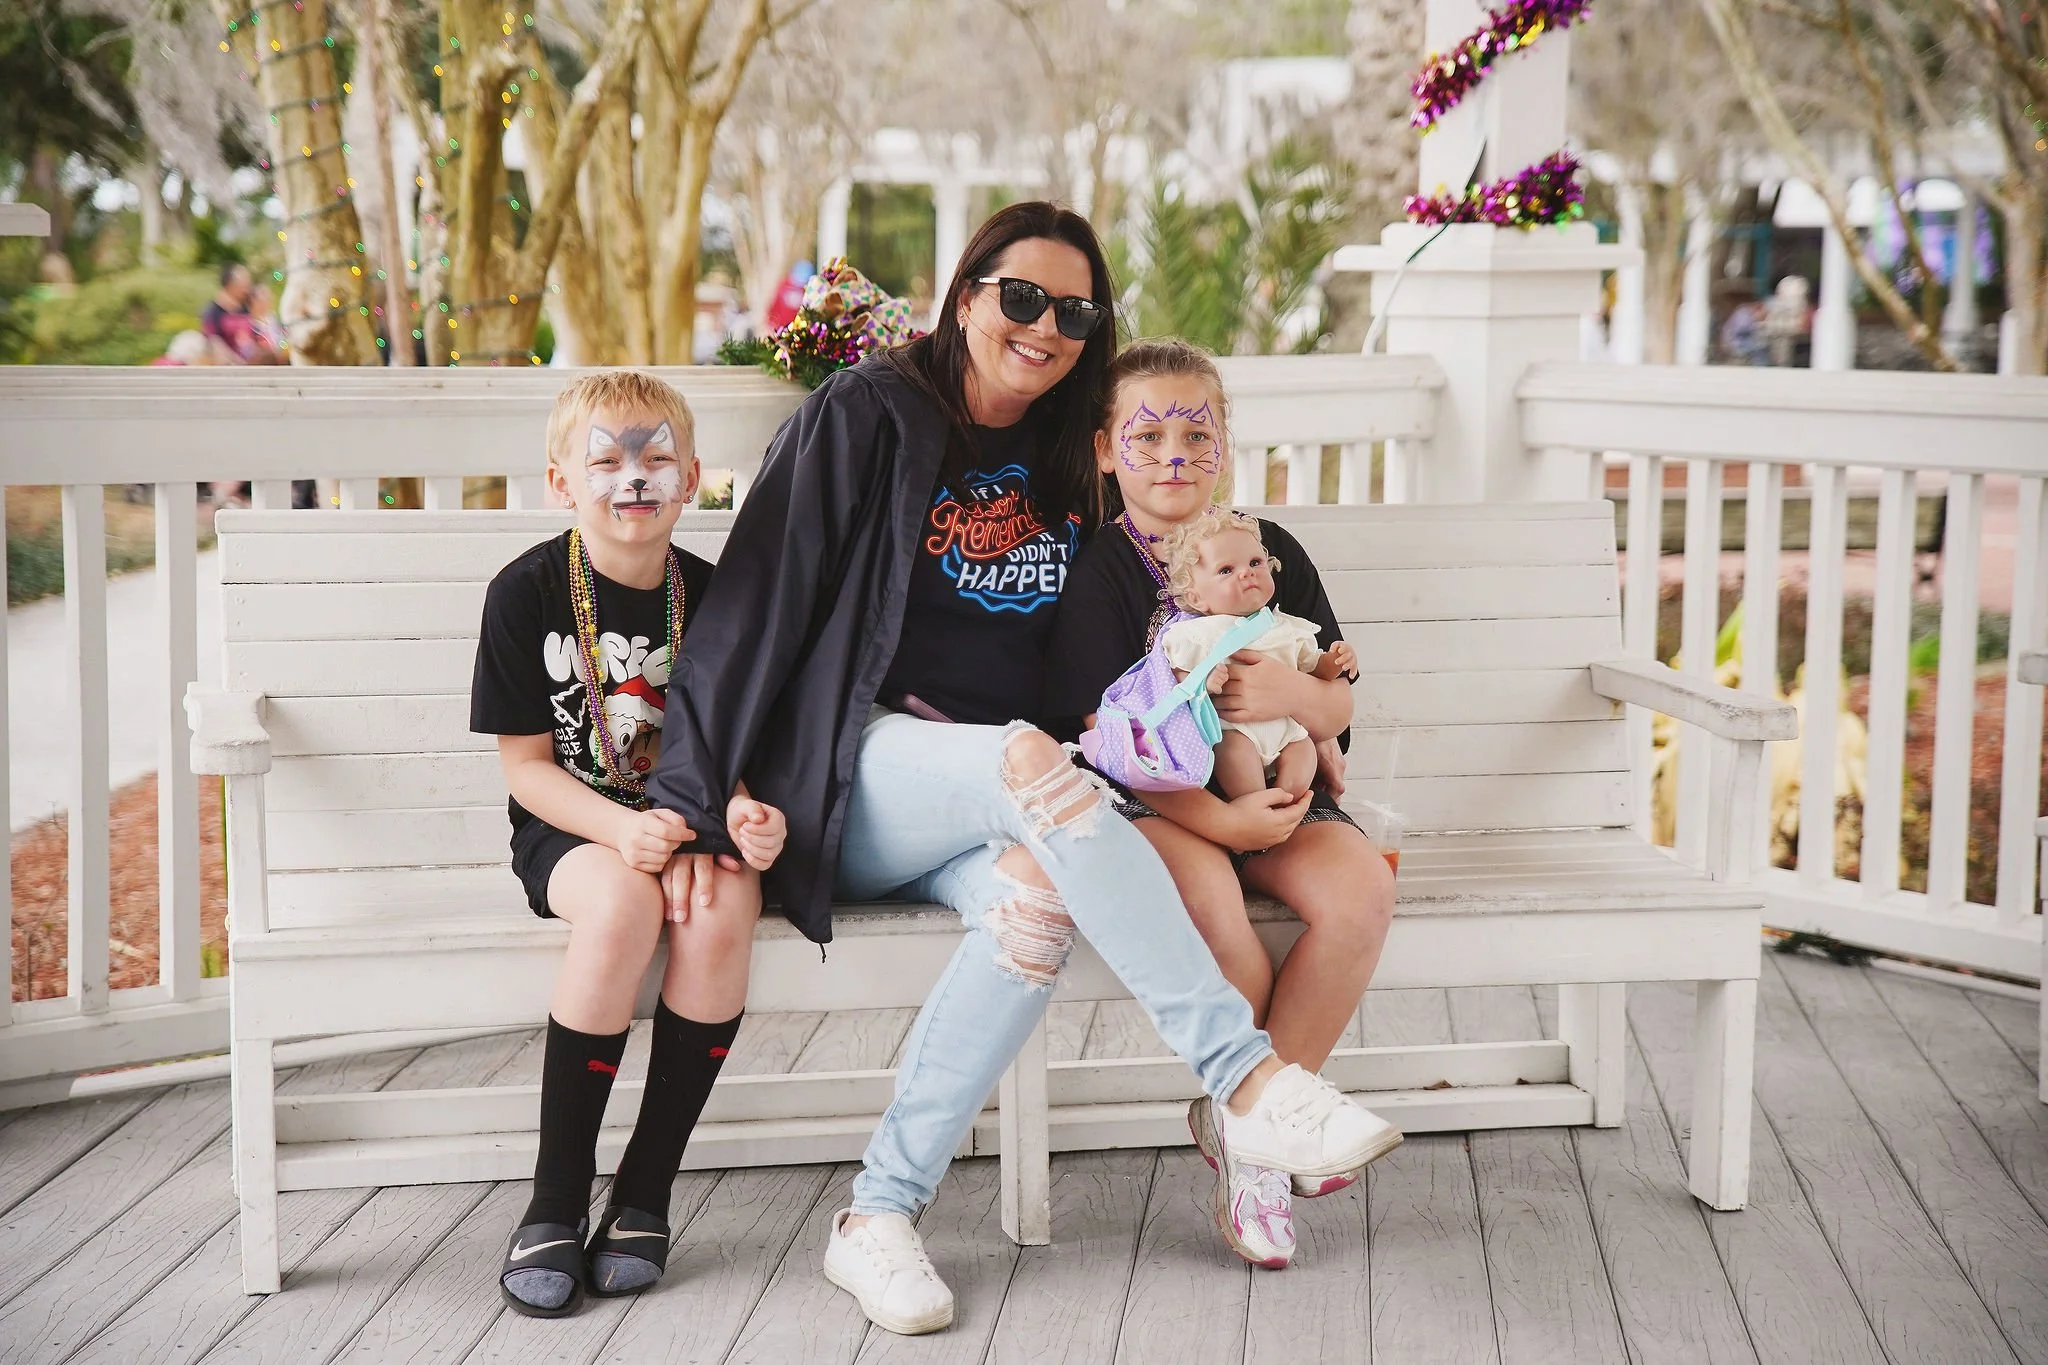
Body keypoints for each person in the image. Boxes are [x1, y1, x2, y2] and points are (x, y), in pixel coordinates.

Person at [648, 202, 1401, 1337]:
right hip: (860, 769)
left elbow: (1152, 599)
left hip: (1026, 799)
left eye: (1074, 310)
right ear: (965, 296)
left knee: (1033, 910)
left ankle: (875, 1217)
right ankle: (1249, 1083)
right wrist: (700, 800)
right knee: (1033, 761)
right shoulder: (868, 415)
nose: (1044, 326)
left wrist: (1283, 698)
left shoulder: (1069, 449)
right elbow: (753, 602)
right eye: (1020, 297)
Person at [1043, 337, 1399, 1269]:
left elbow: (1336, 694)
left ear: (1225, 445)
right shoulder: (1100, 572)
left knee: (1359, 892)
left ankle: (1244, 1128)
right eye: (1148, 434)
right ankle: (1263, 1154)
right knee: (1220, 917)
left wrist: (1296, 702)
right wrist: (1224, 822)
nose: (1173, 456)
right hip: (1166, 810)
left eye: (1195, 435)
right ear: (1106, 450)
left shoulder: (1269, 551)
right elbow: (1106, 747)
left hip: (1282, 782)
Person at [469, 370, 789, 1318]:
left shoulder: (718, 596)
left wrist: (741, 816)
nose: (633, 478)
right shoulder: (526, 594)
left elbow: (733, 753)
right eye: (604, 459)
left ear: (692, 478)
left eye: (656, 458)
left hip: (684, 823)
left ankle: (645, 1190)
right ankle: (557, 1198)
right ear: (562, 483)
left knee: (727, 902)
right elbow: (526, 768)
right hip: (573, 828)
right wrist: (622, 831)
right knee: (621, 901)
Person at [1150, 508, 1358, 802]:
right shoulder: (1196, 633)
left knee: (1303, 750)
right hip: (1235, 731)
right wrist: (1204, 679)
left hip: (1286, 729)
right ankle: (1254, 802)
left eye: (1255, 562)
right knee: (1232, 753)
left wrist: (1334, 661)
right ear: (1196, 597)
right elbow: (1171, 678)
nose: (1247, 572)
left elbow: (1313, 670)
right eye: (1226, 570)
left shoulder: (1287, 626)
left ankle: (1285, 800)